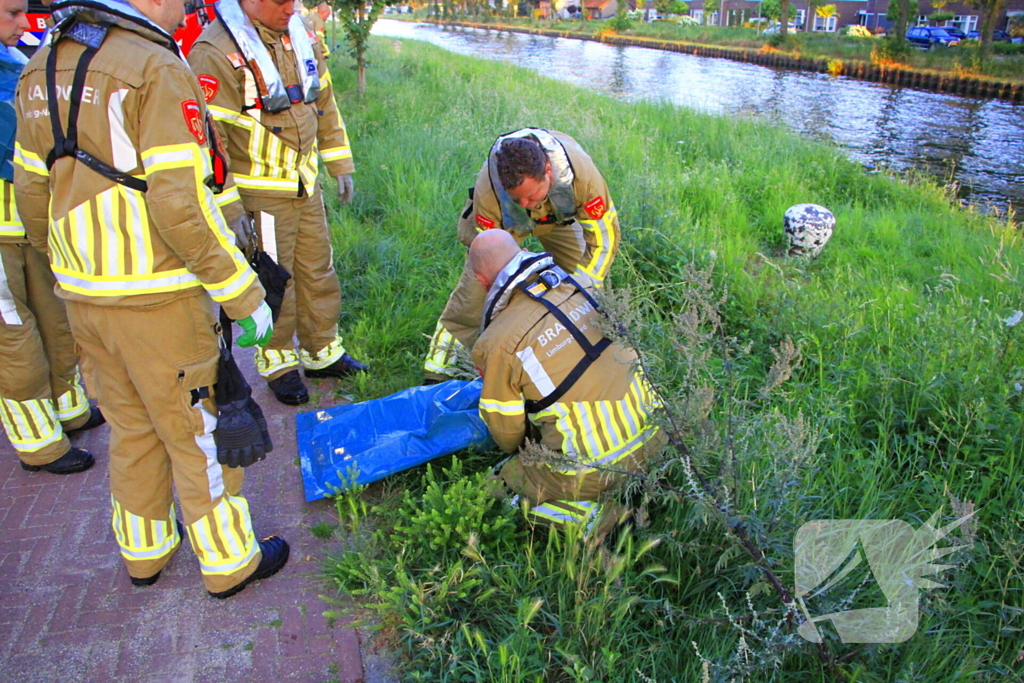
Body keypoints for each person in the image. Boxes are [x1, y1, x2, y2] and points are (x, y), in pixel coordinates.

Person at [15, 0, 288, 597]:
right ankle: (229, 561)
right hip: (159, 297)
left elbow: (31, 192)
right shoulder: (155, 66)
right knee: (196, 431)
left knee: (131, 428)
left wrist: (71, 267)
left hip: (84, 296)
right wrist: (244, 295)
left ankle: (145, 554)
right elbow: (179, 205)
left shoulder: (40, 65)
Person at [188, 0, 366, 407]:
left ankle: (322, 352)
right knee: (275, 282)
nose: (290, 7)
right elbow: (209, 143)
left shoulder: (299, 32)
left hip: (305, 185)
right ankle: (278, 362)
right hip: (262, 196)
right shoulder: (214, 50)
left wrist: (339, 164)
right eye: (279, 0)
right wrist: (231, 209)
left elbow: (324, 104)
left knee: (318, 269)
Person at [469, 230, 664, 528]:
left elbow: (507, 431)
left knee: (499, 486)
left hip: (596, 469)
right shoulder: (582, 286)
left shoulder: (497, 342)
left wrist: (529, 456)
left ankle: (599, 520)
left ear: (483, 282)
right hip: (659, 436)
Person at [424, 128, 621, 383]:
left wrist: (585, 284)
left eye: (531, 195)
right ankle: (437, 373)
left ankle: (583, 358)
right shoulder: (490, 192)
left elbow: (604, 239)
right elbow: (493, 257)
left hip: (557, 218)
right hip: (506, 225)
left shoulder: (582, 177)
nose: (526, 203)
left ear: (548, 172)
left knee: (580, 289)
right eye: (518, 198)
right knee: (472, 297)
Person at [1, 0, 103, 475]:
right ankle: (39, 445)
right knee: (14, 340)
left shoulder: (15, 62)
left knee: (55, 321)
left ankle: (70, 411)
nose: (24, 24)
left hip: (28, 224)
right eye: (12, 13)